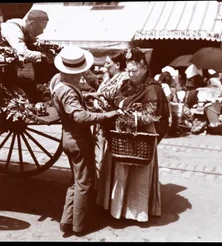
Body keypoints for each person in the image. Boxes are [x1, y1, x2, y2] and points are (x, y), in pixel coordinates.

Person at [49, 46, 122, 234]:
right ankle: (79, 226)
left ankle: (67, 220)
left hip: (68, 137)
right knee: (85, 182)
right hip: (78, 139)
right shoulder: (68, 91)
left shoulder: (58, 81)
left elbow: (69, 100)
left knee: (76, 180)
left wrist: (89, 95)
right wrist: (107, 115)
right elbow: (79, 116)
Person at [96, 47, 170, 222]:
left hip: (142, 134)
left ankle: (136, 211)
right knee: (119, 170)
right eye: (128, 70)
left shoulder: (153, 88)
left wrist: (127, 118)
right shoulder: (126, 84)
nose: (130, 74)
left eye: (134, 71)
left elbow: (153, 114)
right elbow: (116, 99)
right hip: (121, 134)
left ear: (144, 68)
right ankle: (116, 208)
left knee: (138, 173)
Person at [93, 52, 129, 189]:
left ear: (118, 65)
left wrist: (98, 97)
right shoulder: (107, 77)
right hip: (101, 121)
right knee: (99, 158)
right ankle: (99, 190)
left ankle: (107, 193)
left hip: (113, 124)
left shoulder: (124, 78)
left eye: (108, 63)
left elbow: (116, 98)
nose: (105, 65)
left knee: (110, 160)